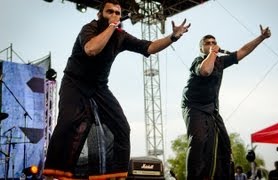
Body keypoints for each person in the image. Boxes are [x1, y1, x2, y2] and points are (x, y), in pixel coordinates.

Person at [42, 0, 191, 179]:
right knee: (68, 123)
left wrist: (172, 37)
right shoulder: (89, 29)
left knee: (121, 128)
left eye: (118, 13)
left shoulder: (121, 36)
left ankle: (115, 174)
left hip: (99, 87)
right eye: (110, 12)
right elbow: (91, 49)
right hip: (74, 82)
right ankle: (53, 174)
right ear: (100, 15)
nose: (114, 16)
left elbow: (149, 47)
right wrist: (111, 28)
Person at [181, 25, 271, 180]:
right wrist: (213, 52)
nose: (211, 44)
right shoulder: (199, 61)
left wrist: (261, 38)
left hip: (211, 109)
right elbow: (205, 71)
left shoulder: (221, 62)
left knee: (223, 144)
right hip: (193, 106)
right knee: (199, 141)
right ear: (202, 48)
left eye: (213, 42)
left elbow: (242, 51)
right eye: (207, 43)